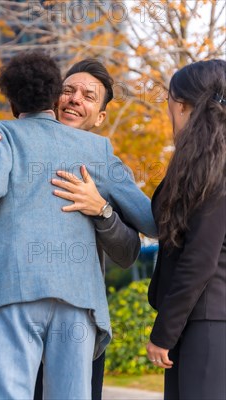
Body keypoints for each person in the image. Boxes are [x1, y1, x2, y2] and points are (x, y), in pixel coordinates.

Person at [0, 51, 156, 398]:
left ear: (101, 116)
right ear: (55, 95)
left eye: (88, 97)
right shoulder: (99, 151)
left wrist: (102, 209)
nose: (75, 100)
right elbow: (153, 221)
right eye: (70, 91)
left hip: (10, 290)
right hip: (77, 302)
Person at [146, 59, 226, 399]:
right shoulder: (202, 162)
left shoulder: (216, 168)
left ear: (180, 105)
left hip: (209, 322)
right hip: (200, 322)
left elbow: (200, 259)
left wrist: (163, 332)